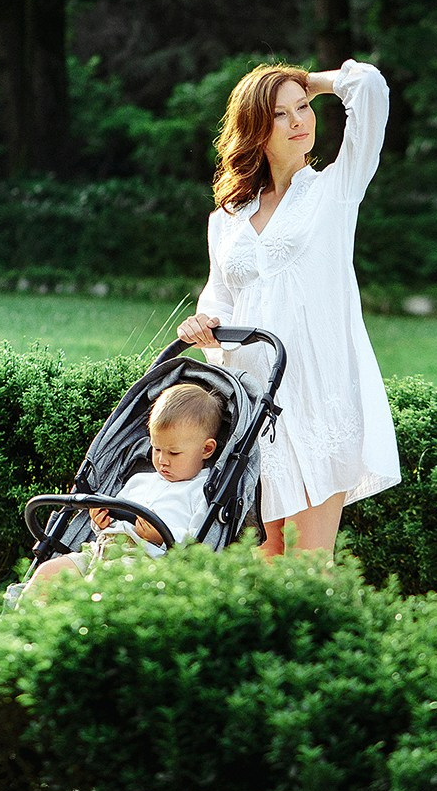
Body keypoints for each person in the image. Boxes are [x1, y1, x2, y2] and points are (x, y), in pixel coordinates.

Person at [176, 59, 400, 557]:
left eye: (303, 109)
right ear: (255, 128)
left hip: (317, 396)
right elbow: (220, 297)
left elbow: (369, 86)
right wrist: (204, 322)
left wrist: (310, 83)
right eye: (281, 114)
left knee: (306, 562)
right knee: (267, 556)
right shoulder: (228, 218)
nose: (301, 120)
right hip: (253, 401)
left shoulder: (334, 192)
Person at [24, 383, 223, 592]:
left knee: (100, 584)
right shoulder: (139, 480)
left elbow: (198, 543)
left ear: (206, 449)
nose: (162, 460)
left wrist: (160, 537)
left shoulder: (203, 490)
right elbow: (114, 518)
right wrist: (101, 522)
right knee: (49, 571)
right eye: (156, 449)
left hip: (145, 563)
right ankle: (22, 622)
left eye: (174, 453)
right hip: (100, 550)